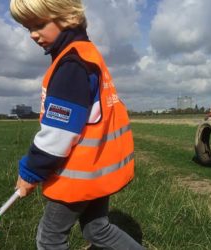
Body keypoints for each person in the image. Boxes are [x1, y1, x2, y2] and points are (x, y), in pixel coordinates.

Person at [10, 0, 144, 249]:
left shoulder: (72, 65)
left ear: (67, 16)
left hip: (78, 174)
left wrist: (30, 172)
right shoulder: (85, 53)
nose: (33, 35)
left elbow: (58, 133)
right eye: (27, 27)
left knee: (49, 237)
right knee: (98, 229)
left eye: (39, 25)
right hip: (96, 168)